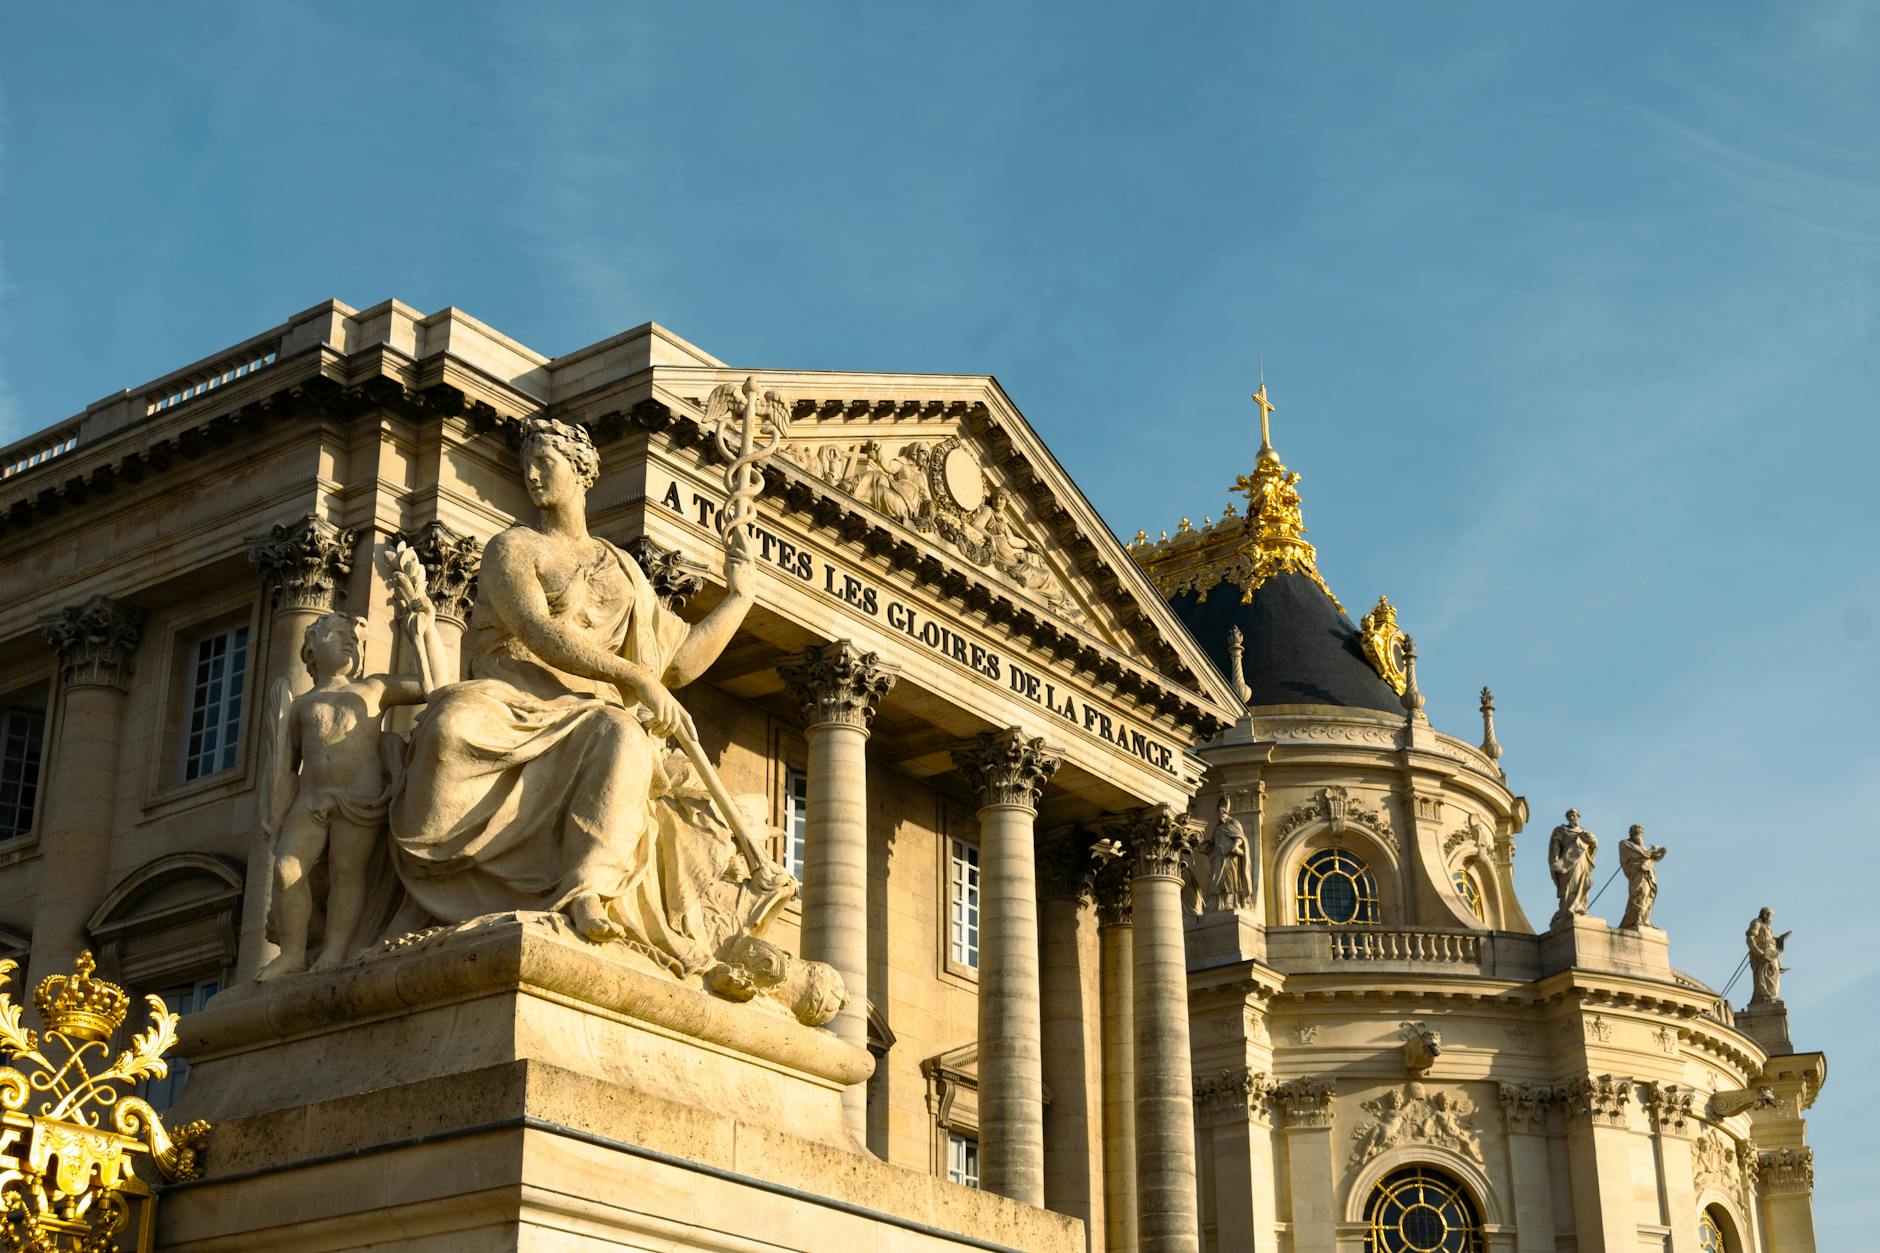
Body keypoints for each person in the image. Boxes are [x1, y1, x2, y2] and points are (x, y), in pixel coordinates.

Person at [388, 417, 759, 974]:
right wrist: (635, 678)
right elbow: (539, 632)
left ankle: (586, 890)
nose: (533, 475)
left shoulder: (625, 569)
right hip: (510, 698)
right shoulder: (513, 547)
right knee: (450, 725)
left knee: (621, 735)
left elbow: (677, 664)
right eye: (527, 465)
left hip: (591, 716)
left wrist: (739, 600)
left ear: (582, 471)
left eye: (546, 463)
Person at [256, 612, 434, 979]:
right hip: (310, 799)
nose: (351, 641)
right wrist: (277, 814)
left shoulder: (374, 688)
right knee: (287, 869)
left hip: (359, 798)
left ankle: (335, 951)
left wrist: (418, 632)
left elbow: (431, 687)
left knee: (347, 873)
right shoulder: (302, 704)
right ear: (309, 652)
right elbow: (285, 767)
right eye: (338, 634)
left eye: (356, 639)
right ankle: (291, 953)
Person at [1546, 808, 1598, 924]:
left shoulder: (1584, 833)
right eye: (1570, 815)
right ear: (1567, 818)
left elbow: (1594, 844)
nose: (1573, 817)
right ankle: (1566, 909)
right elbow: (1556, 846)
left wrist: (1591, 839)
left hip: (1581, 861)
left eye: (1575, 815)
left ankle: (1579, 907)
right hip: (1566, 863)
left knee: (1581, 883)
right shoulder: (1561, 830)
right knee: (1568, 886)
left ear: (1578, 817)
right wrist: (1555, 860)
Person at [1617, 824, 1667, 929]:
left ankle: (1644, 919)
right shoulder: (1625, 844)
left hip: (1648, 873)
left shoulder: (1644, 849)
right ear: (1631, 834)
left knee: (1649, 895)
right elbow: (1643, 854)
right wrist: (1653, 852)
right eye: (1636, 833)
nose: (1639, 835)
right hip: (1637, 873)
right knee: (1640, 893)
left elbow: (1651, 857)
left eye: (1641, 833)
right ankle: (1636, 919)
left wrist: (1661, 853)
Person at [1746, 906, 1791, 1005]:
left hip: (1771, 954)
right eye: (1771, 916)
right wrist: (1758, 952)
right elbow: (1750, 938)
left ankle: (1773, 995)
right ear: (1765, 915)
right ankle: (1764, 996)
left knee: (1774, 973)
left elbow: (1769, 938)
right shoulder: (1756, 923)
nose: (1772, 919)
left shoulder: (1767, 927)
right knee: (1764, 975)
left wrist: (1780, 939)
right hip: (1762, 956)